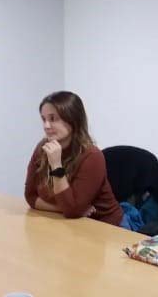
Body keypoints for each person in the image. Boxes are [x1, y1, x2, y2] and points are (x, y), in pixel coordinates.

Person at [23, 90, 126, 227]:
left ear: (73, 119)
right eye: (44, 119)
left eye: (53, 119)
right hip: (69, 223)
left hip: (107, 226)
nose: (46, 126)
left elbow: (72, 210)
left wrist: (56, 165)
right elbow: (30, 197)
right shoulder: (42, 148)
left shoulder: (92, 155)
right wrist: (62, 209)